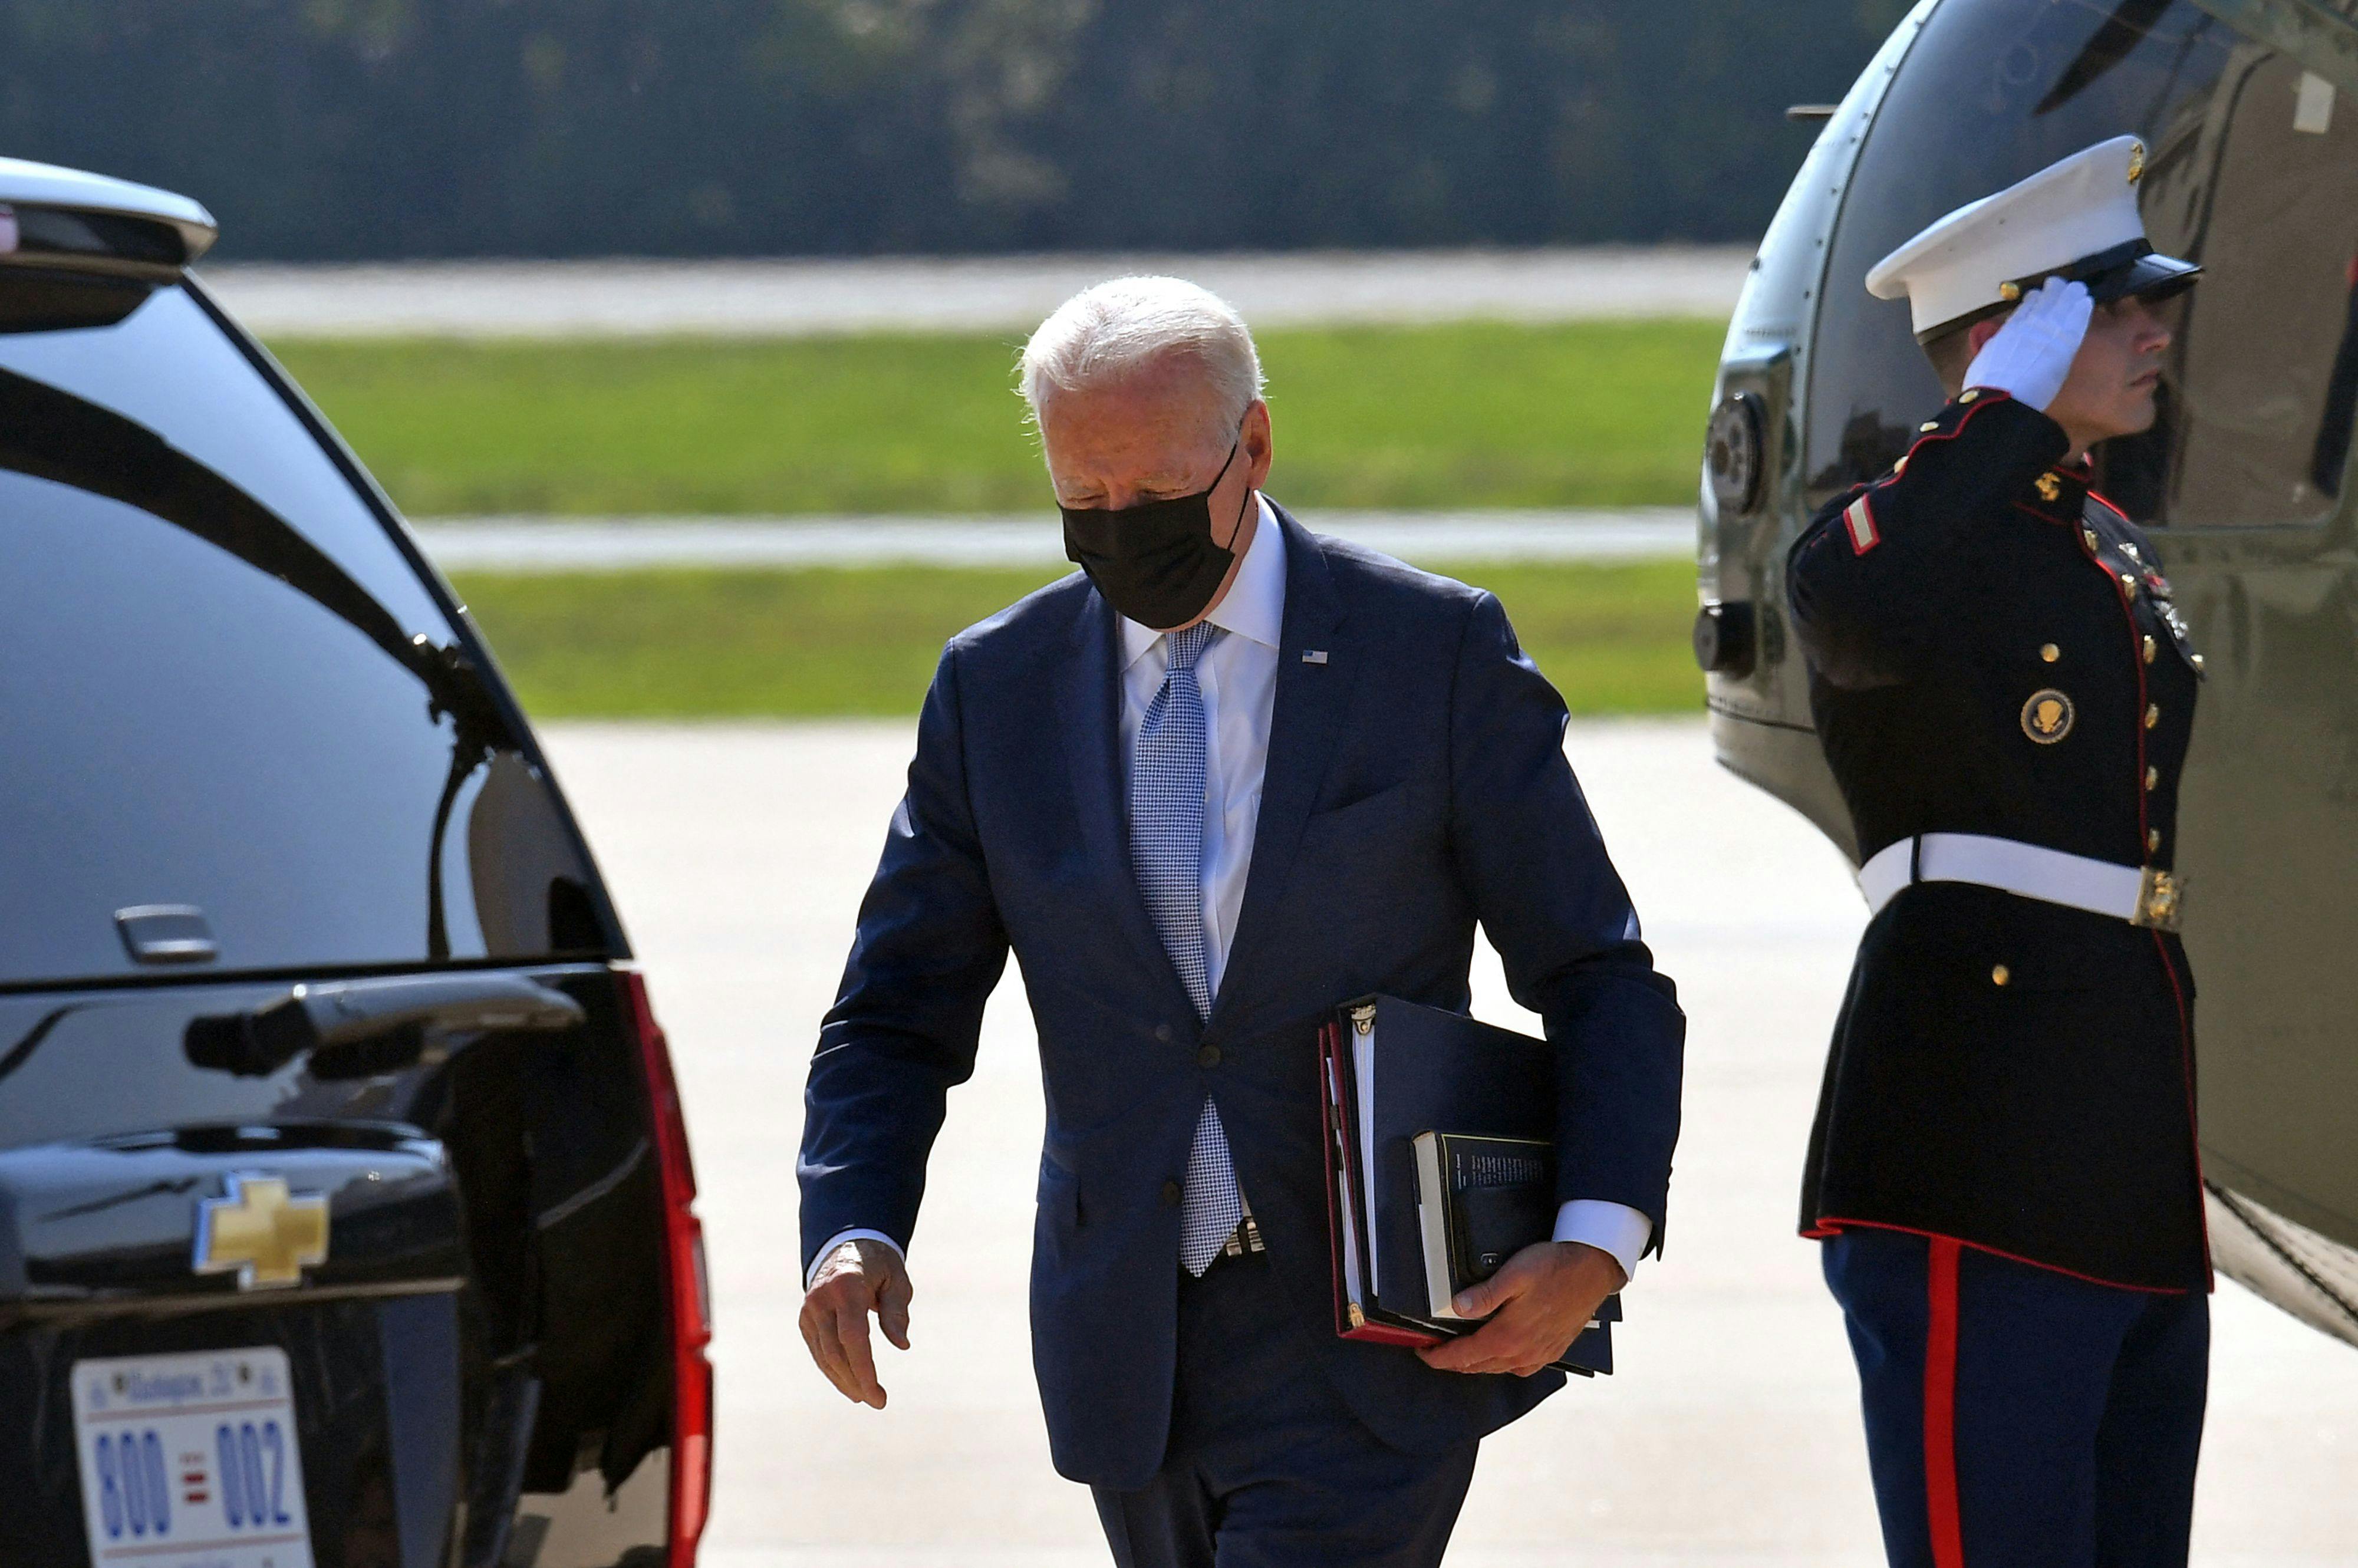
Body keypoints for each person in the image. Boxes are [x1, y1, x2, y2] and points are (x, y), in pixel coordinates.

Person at [796, 275, 1685, 1566]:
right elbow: (894, 1008)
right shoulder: (998, 689)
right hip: (1128, 1343)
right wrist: (854, 1220)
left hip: (1373, 1331)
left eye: (1152, 499)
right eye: (1081, 504)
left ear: (1252, 445)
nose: (1116, 532)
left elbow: (1597, 971)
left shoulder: (1424, 654)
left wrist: (1594, 1243)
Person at [1787, 136, 2209, 1568]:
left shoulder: (2094, 542)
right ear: (2011, 336)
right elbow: (1851, 610)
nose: (2155, 327)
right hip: (1980, 1129)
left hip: (2120, 1129)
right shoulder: (1897, 541)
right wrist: (1993, 417)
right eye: (2110, 304)